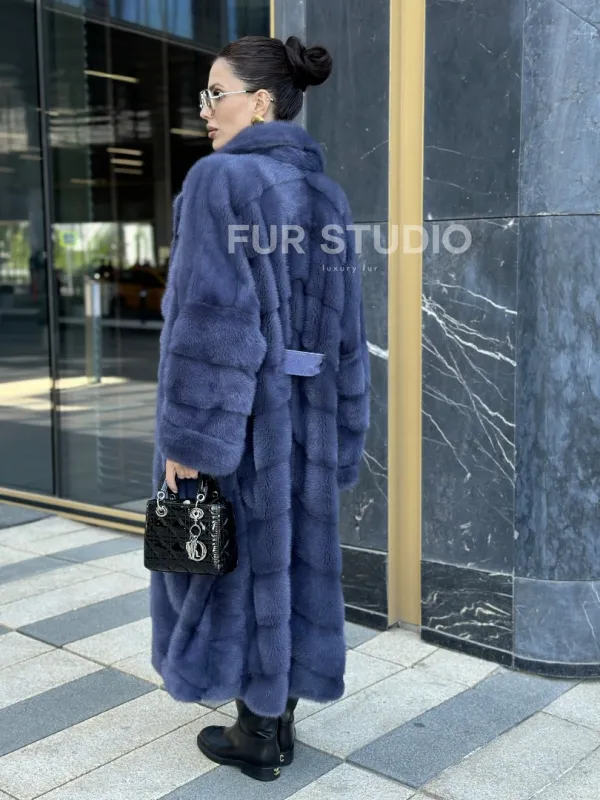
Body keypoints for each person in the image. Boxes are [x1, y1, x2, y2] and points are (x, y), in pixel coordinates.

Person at [150, 34, 370, 782]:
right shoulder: (324, 194)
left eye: (216, 93)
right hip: (305, 422)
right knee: (291, 569)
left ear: (262, 102)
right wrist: (344, 434)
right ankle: (274, 724)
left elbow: (214, 327)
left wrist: (190, 441)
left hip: (244, 425)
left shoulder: (220, 182)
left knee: (234, 571)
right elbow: (348, 334)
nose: (205, 109)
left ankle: (256, 733)